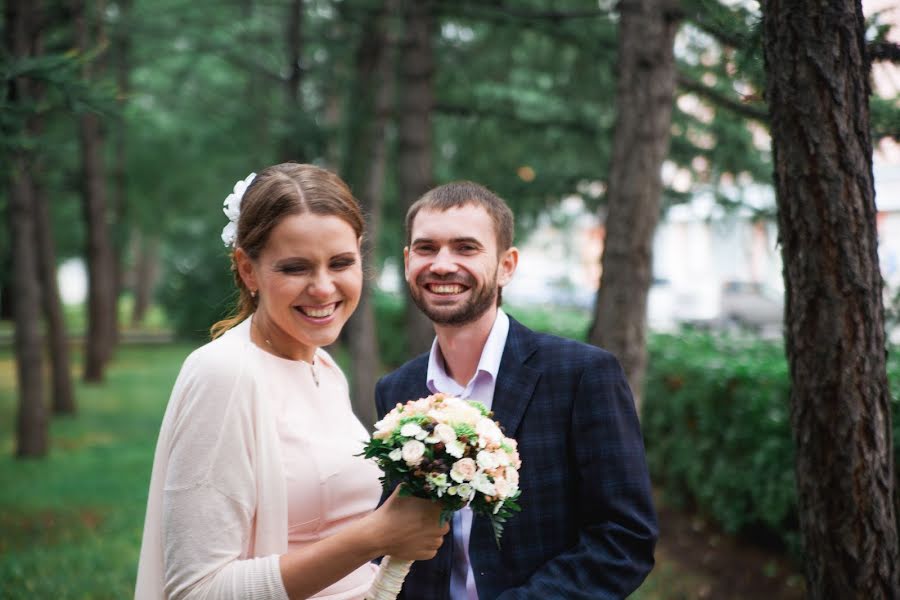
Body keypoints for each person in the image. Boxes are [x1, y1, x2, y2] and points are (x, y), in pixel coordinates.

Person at [135, 163, 448, 600]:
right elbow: (197, 591)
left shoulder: (324, 368)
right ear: (248, 270)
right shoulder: (225, 375)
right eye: (295, 268)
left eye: (341, 262)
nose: (323, 288)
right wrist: (374, 537)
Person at [375, 181, 658, 599]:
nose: (442, 264)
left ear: (507, 265)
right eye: (426, 248)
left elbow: (624, 540)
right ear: (407, 261)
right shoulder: (396, 389)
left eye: (466, 248)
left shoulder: (581, 375)